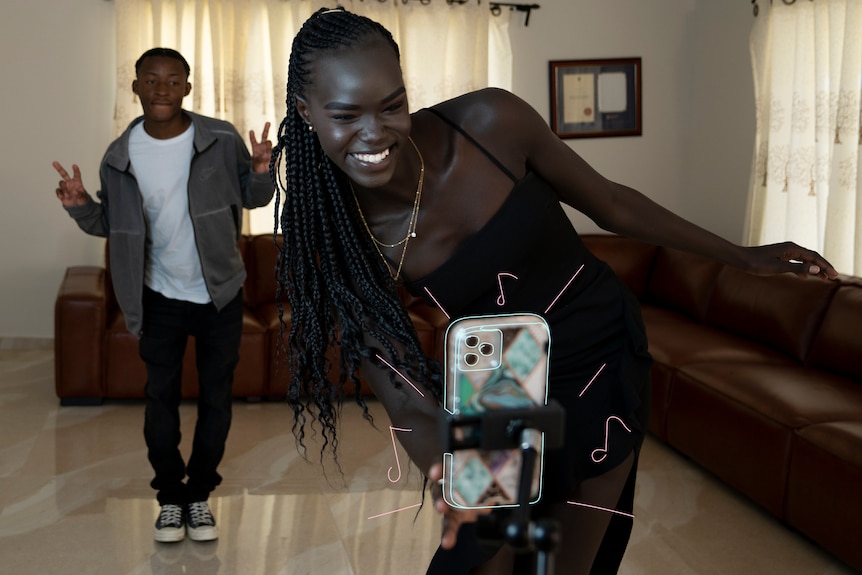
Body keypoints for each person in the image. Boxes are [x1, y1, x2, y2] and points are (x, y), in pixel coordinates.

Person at [270, 8, 837, 574]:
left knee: (567, 564)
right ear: (306, 111)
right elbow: (402, 395)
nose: (375, 133)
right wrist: (460, 485)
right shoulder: (331, 230)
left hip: (598, 346)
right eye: (346, 115)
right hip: (497, 375)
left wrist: (741, 257)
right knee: (478, 556)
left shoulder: (491, 122)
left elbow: (612, 203)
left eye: (392, 105)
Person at [52, 47, 275, 544]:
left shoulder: (219, 138)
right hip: (159, 297)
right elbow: (114, 225)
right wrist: (81, 205)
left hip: (219, 295)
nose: (161, 89)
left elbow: (254, 197)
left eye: (173, 81)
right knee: (161, 400)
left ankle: (200, 494)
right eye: (151, 80)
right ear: (135, 88)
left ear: (187, 89)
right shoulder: (120, 156)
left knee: (217, 398)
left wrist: (261, 170)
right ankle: (170, 497)